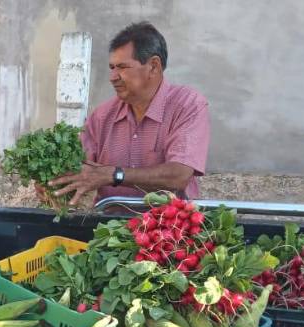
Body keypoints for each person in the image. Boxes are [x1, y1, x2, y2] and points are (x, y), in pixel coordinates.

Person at [42, 22, 210, 206]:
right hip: (107, 230)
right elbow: (81, 172)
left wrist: (114, 175)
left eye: (122, 67)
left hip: (169, 228)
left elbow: (179, 175)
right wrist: (53, 184)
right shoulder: (102, 116)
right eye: (112, 67)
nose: (112, 77)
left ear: (154, 66)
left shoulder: (188, 105)